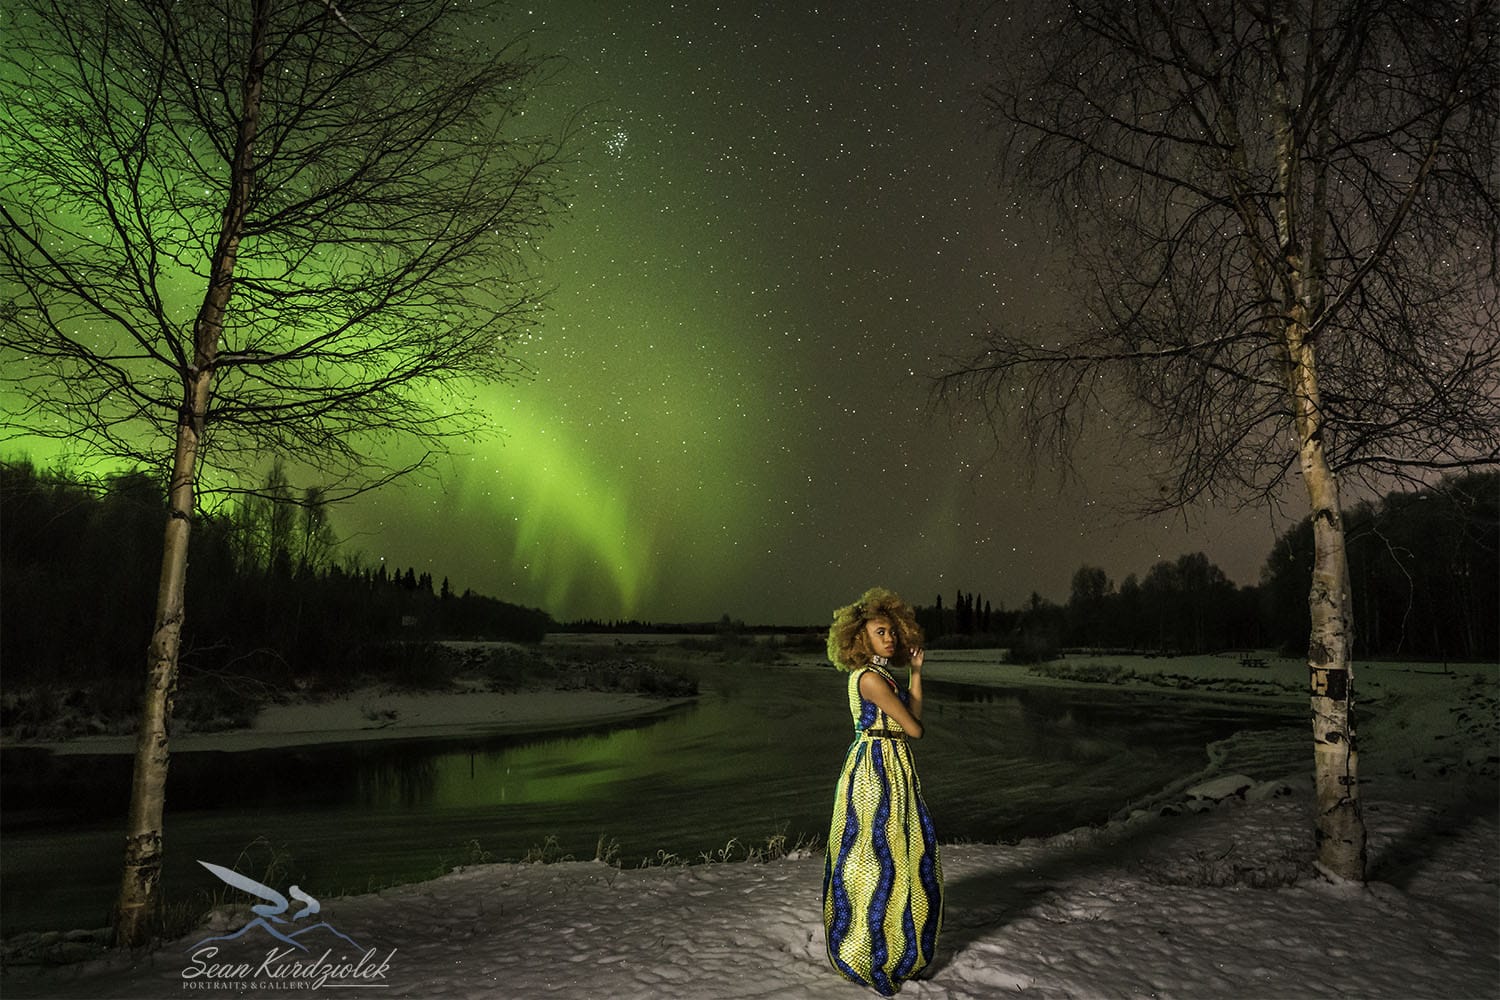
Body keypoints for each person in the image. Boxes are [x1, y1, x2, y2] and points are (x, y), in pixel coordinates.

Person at [822, 586, 943, 996]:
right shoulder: (871, 679)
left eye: (892, 631)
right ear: (860, 638)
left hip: (890, 764)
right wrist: (908, 705)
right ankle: (870, 952)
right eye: (880, 632)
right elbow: (915, 728)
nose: (889, 638)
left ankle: (893, 947)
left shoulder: (883, 676)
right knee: (875, 861)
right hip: (876, 769)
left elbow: (912, 718)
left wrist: (916, 674)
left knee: (896, 855)